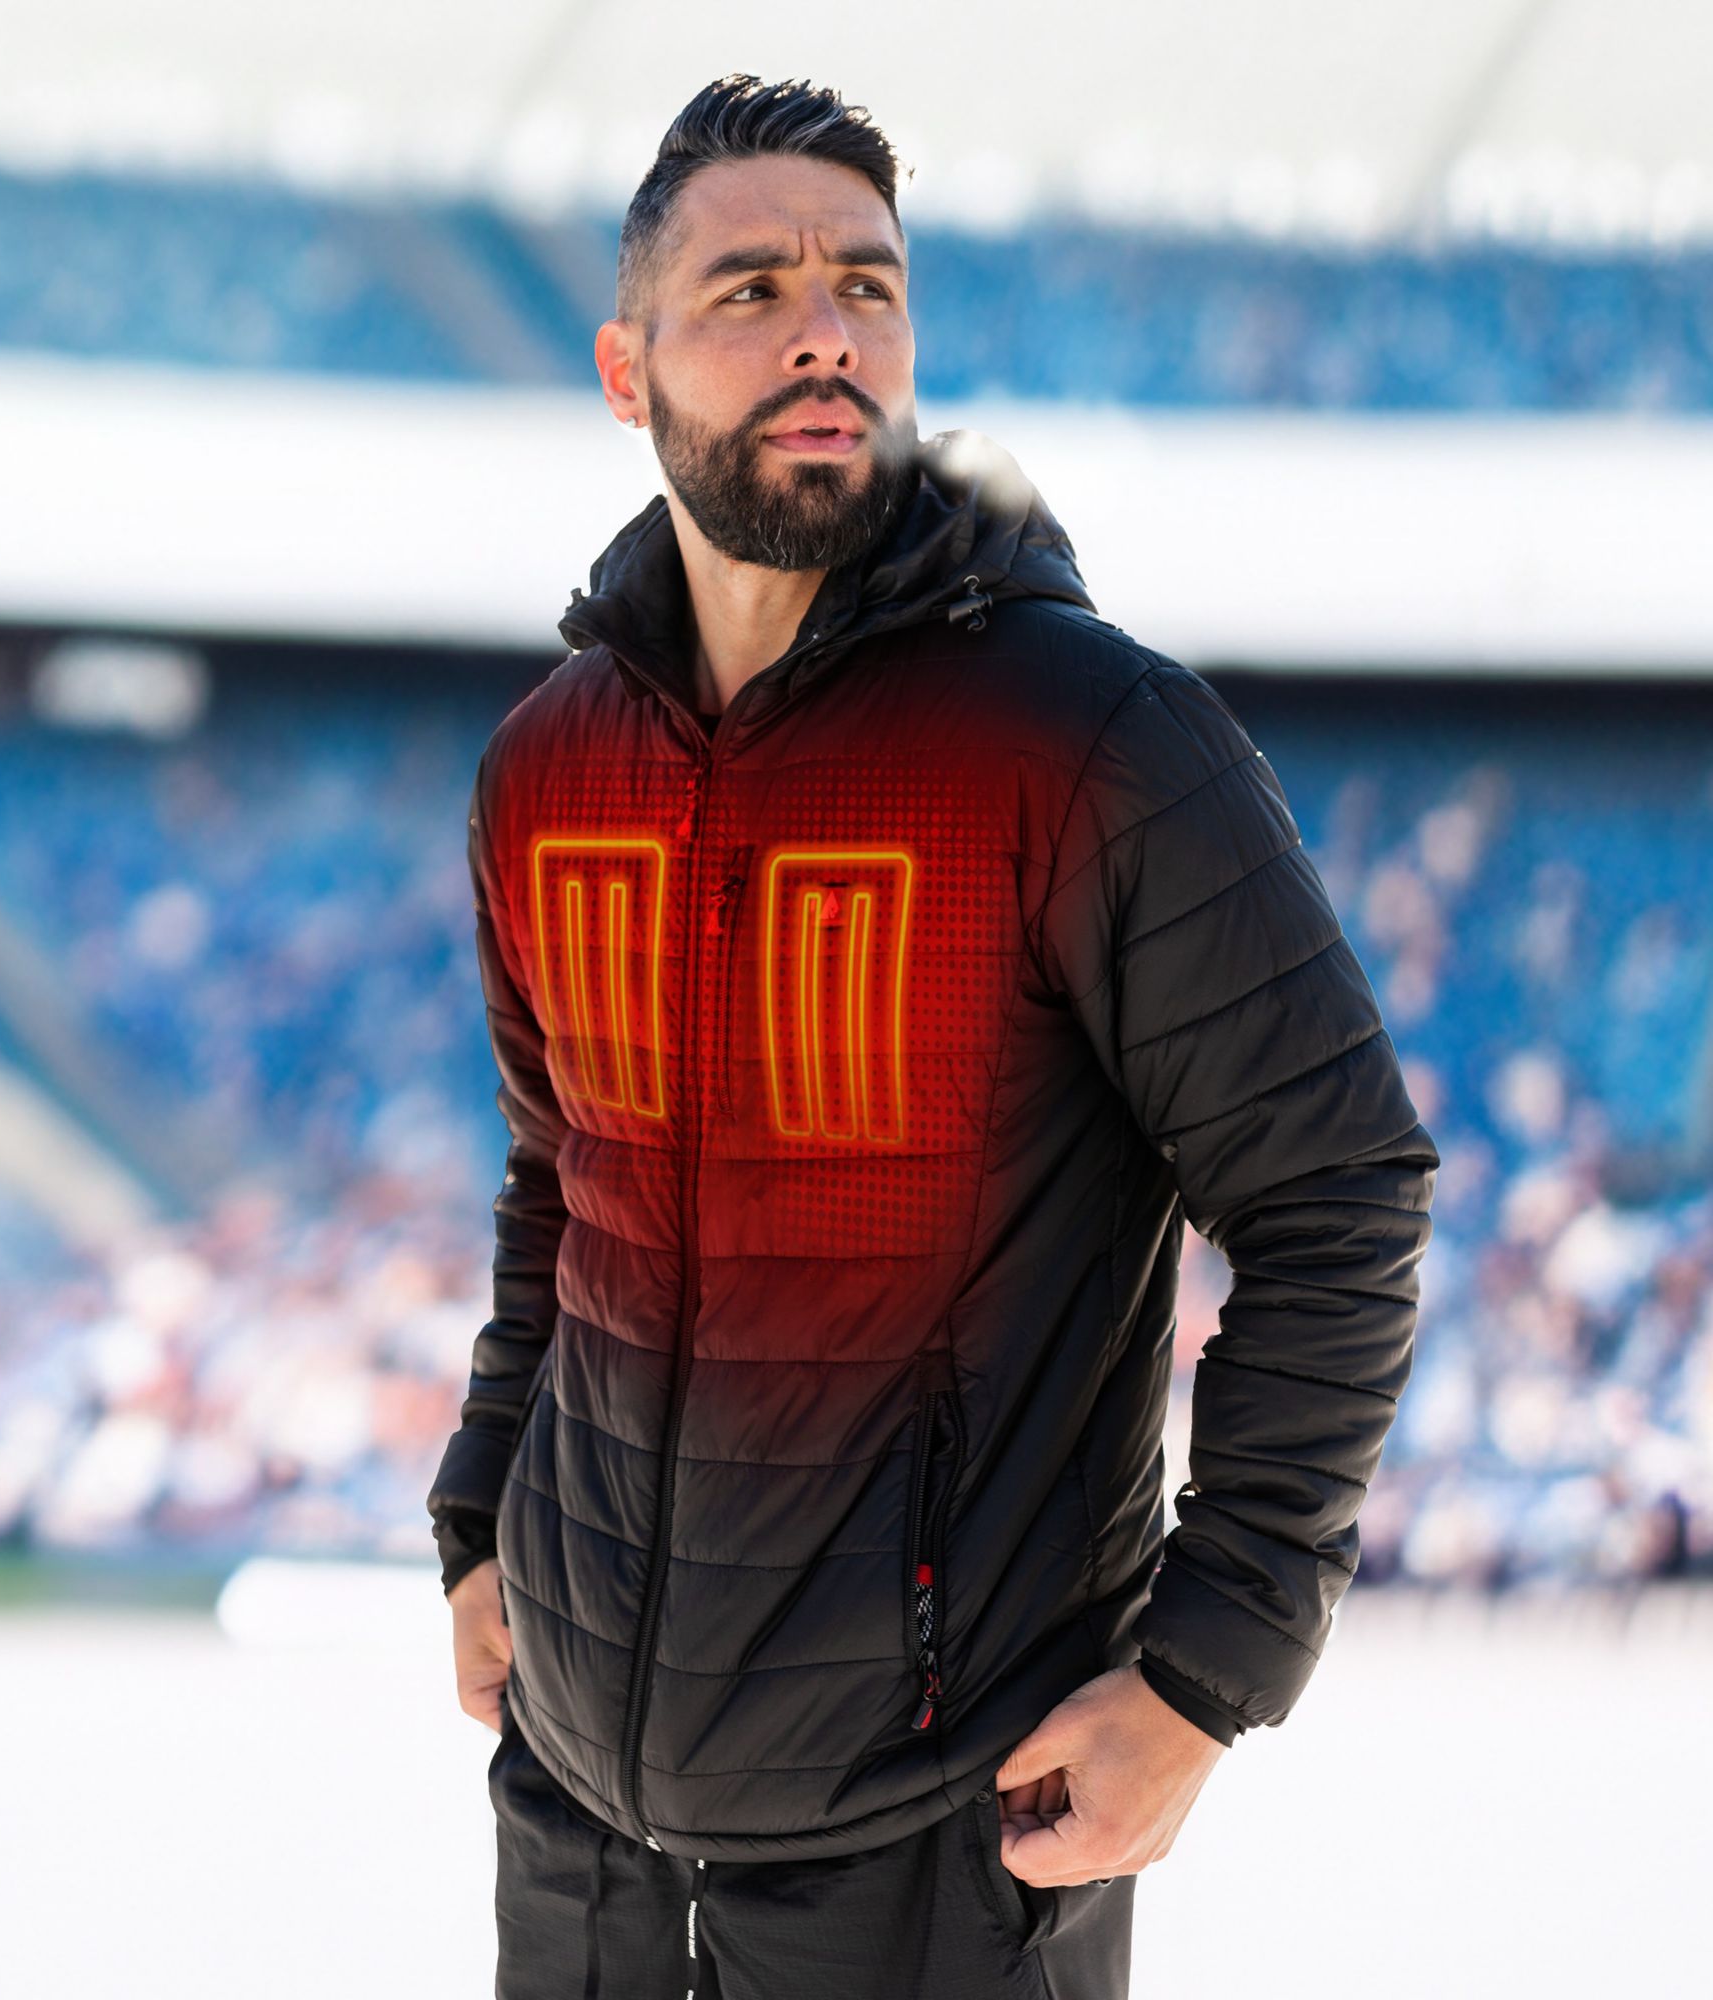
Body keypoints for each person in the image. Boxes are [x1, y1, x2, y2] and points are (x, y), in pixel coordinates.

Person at [427, 72, 1440, 2000]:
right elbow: (564, 1186)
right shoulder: (544, 768)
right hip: (575, 1834)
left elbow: (1340, 1201)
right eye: (752, 290)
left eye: (866, 287)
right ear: (628, 371)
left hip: (950, 1851)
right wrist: (481, 1520)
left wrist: (1204, 1681)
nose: (824, 332)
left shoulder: (1093, 741)